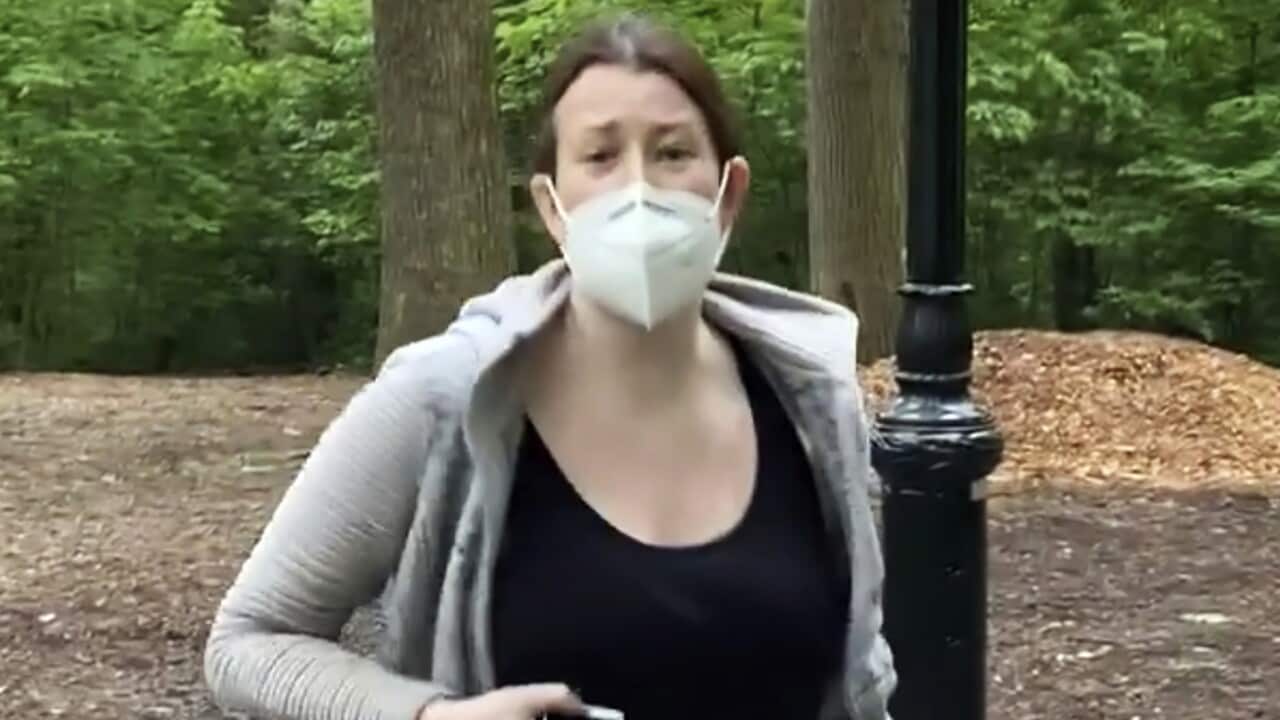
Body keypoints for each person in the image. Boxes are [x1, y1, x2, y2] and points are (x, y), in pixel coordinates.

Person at [203, 13, 895, 720]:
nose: (639, 190)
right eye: (600, 158)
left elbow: (861, 673)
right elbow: (249, 642)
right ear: (553, 208)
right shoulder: (445, 397)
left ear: (729, 195)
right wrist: (429, 716)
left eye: (673, 153)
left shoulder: (811, 399)